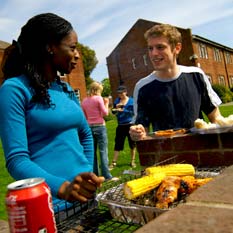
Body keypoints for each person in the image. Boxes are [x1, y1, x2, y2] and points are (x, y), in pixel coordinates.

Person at [0, 13, 105, 209]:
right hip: (50, 205)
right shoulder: (14, 89)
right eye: (72, 48)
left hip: (84, 199)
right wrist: (63, 188)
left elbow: (85, 135)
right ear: (50, 47)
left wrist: (85, 178)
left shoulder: (65, 89)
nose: (77, 55)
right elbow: (16, 160)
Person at [129, 24, 222, 141]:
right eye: (150, 48)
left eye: (160, 47)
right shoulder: (142, 87)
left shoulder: (196, 75)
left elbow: (216, 117)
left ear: (177, 48)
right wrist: (138, 134)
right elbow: (143, 132)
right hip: (166, 154)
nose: (153, 53)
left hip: (200, 151)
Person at [81, 82, 117, 181]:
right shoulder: (98, 99)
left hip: (89, 127)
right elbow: (105, 113)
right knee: (103, 152)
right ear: (97, 90)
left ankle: (95, 175)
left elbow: (84, 117)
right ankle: (106, 176)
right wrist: (106, 104)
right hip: (100, 127)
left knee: (93, 153)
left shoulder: (84, 101)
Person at [109, 85, 136, 169]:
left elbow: (134, 112)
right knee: (118, 143)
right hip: (120, 125)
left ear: (125, 92)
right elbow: (113, 112)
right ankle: (113, 162)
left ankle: (132, 161)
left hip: (130, 124)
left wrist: (124, 110)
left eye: (121, 93)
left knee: (132, 143)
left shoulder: (131, 101)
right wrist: (115, 109)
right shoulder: (117, 101)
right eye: (119, 93)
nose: (120, 95)